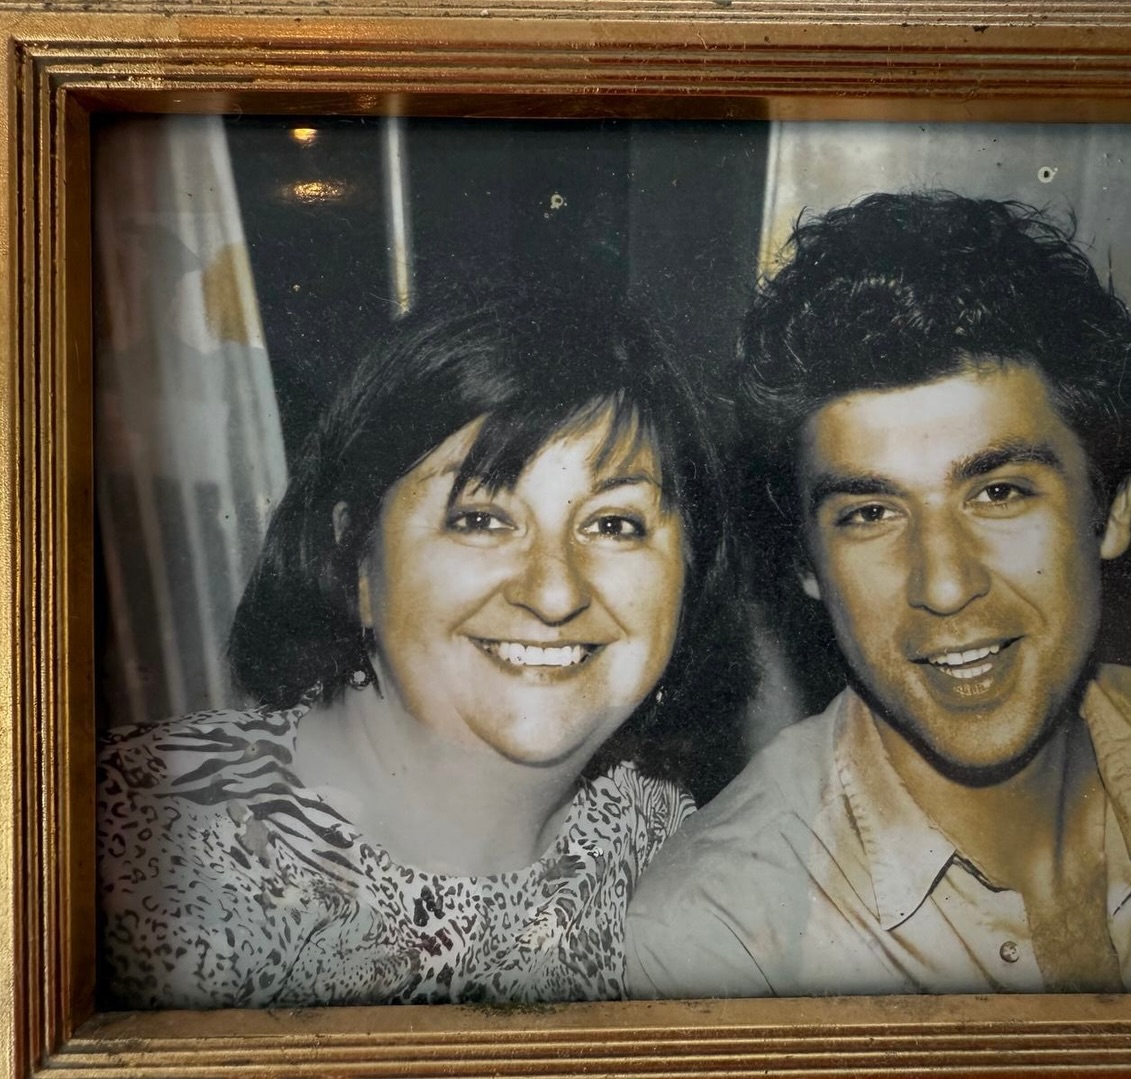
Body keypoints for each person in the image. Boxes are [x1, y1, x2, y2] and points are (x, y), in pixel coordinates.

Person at [626, 191, 1131, 998]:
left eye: (998, 493)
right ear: (808, 564)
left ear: (1113, 506)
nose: (945, 584)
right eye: (871, 512)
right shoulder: (718, 938)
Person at [98, 281, 750, 1008]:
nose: (556, 591)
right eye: (480, 518)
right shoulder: (127, 849)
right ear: (355, 562)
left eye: (615, 524)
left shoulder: (651, 830)